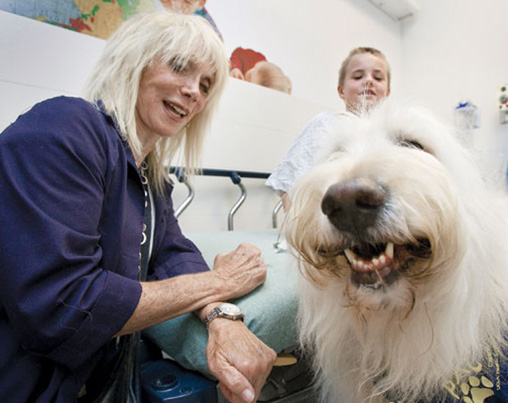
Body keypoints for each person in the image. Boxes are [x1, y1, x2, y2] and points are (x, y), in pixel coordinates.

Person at [0, 11, 275, 403]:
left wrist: (221, 316)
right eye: (180, 67)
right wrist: (221, 282)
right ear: (133, 59)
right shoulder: (65, 127)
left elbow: (172, 252)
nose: (194, 91)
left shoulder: (152, 179)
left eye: (205, 84)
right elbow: (64, 307)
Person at [266, 47, 391, 210]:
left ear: (387, 92)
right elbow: (290, 183)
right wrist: (300, 229)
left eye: (378, 77)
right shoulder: (324, 125)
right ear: (341, 91)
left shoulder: (391, 135)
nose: (369, 81)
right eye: (358, 76)